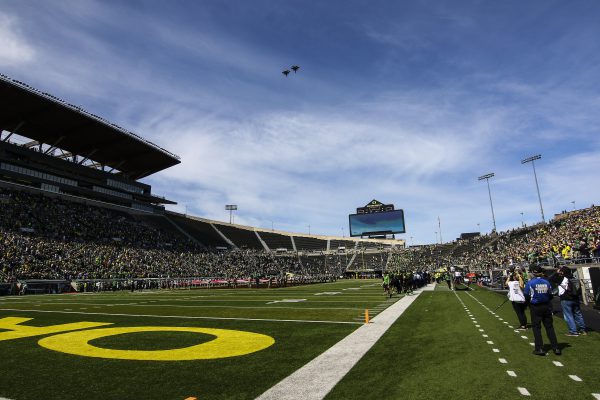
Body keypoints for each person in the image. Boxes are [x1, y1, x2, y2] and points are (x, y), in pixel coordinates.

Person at [524, 265, 560, 356]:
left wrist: (528, 304)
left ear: (533, 273)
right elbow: (551, 294)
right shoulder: (546, 282)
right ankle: (555, 348)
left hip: (536, 306)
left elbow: (527, 296)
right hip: (546, 306)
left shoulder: (530, 283)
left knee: (536, 328)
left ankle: (539, 348)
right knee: (549, 327)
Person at [551, 266, 587, 336]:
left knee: (569, 315)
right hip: (575, 298)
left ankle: (573, 331)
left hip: (566, 298)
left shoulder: (562, 279)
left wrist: (556, 272)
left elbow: (551, 278)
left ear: (562, 272)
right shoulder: (574, 278)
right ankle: (583, 330)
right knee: (578, 314)